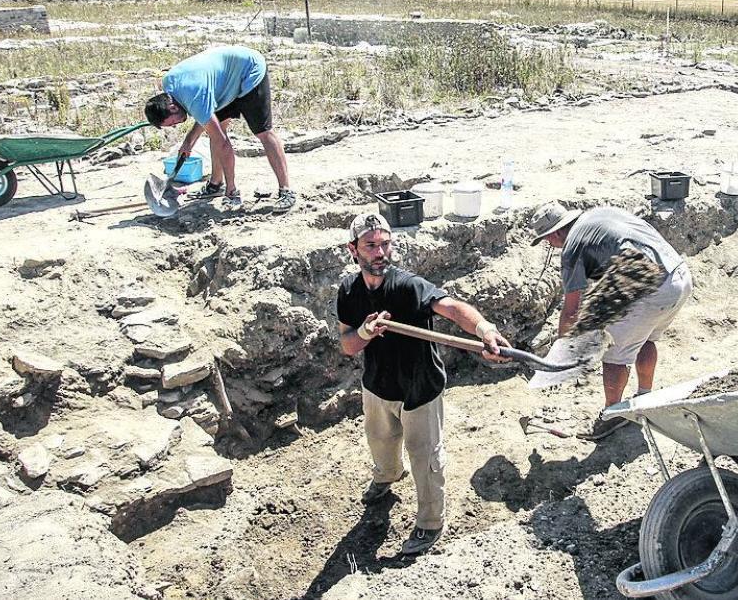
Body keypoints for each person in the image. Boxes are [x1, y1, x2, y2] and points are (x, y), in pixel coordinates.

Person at [336, 213, 509, 556]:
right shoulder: (349, 291)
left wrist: (484, 329)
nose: (380, 252)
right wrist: (367, 331)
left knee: (426, 460)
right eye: (371, 245)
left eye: (385, 244)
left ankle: (430, 523)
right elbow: (347, 344)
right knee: (381, 445)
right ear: (352, 249)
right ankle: (386, 477)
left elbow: (452, 307)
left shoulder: (407, 285)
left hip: (419, 389)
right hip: (377, 387)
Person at [529, 202, 693, 440]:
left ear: (554, 233)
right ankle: (645, 397)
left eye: (546, 239)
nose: (549, 245)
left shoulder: (572, 248)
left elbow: (570, 310)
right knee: (644, 338)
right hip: (679, 276)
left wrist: (561, 357)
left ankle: (613, 415)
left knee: (613, 353)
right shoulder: (600, 216)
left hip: (652, 289)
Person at [144, 44, 295, 212]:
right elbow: (204, 116)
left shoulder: (193, 96)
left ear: (172, 108)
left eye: (172, 123)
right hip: (223, 83)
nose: (176, 125)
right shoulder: (169, 87)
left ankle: (285, 191)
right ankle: (216, 184)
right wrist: (188, 142)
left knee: (263, 132)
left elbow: (222, 142)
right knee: (216, 131)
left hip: (248, 71)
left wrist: (232, 191)